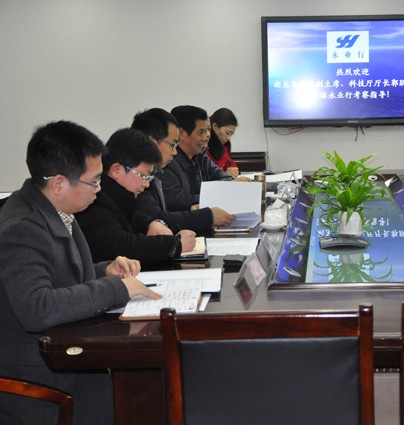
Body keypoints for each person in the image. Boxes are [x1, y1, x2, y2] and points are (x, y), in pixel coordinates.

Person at [0, 121, 159, 425]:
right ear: (59, 183)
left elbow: (61, 276)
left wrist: (105, 270)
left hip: (65, 351)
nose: (100, 189)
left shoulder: (55, 209)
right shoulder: (20, 228)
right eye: (94, 181)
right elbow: (38, 308)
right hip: (37, 378)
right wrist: (117, 288)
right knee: (143, 393)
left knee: (147, 388)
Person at [75, 128, 197, 266]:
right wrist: (174, 245)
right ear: (116, 170)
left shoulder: (119, 196)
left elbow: (135, 218)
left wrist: (152, 224)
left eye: (149, 177)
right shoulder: (94, 200)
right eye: (143, 176)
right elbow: (122, 246)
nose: (146, 184)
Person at [132, 108, 234, 230]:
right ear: (153, 141)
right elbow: (158, 217)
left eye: (208, 130)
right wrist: (207, 215)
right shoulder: (146, 172)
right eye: (172, 144)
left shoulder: (198, 156)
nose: (174, 152)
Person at [161, 105, 249, 212]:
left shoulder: (200, 156)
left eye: (208, 130)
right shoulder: (168, 161)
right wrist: (219, 193)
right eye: (202, 132)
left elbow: (219, 174)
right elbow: (176, 200)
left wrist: (233, 183)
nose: (207, 136)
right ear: (182, 133)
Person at [207, 107, 240, 177]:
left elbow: (230, 164)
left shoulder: (224, 146)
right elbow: (205, 176)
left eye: (231, 134)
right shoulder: (203, 147)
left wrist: (233, 171)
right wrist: (224, 174)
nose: (229, 138)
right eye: (227, 133)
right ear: (214, 126)